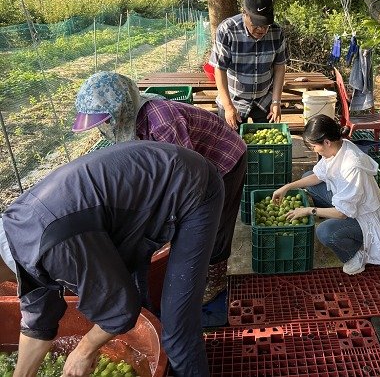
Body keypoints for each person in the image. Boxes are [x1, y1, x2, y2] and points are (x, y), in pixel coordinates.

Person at [0, 141, 224, 376]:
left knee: (177, 325)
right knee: (140, 303)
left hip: (192, 187)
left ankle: (187, 363)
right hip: (139, 198)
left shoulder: (53, 247)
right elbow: (38, 322)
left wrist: (84, 350)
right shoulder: (18, 236)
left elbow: (120, 309)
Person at [72, 71, 247, 303]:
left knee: (215, 224)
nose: (103, 129)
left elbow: (187, 174)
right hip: (200, 160)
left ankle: (216, 281)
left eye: (106, 121)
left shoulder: (162, 121)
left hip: (224, 158)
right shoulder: (134, 116)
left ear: (120, 109)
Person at [272, 115, 380, 275]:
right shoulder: (338, 148)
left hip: (362, 216)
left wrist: (309, 210)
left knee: (325, 232)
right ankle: (334, 222)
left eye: (313, 146)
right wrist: (288, 187)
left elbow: (342, 213)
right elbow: (317, 176)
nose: (314, 150)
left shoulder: (352, 166)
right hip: (348, 202)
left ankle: (355, 255)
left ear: (326, 142)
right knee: (307, 177)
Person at [209, 0, 288, 130]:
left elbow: (280, 67)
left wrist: (276, 101)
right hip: (234, 100)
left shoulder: (277, 32)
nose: (261, 30)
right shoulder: (227, 30)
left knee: (266, 145)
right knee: (231, 146)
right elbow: (219, 69)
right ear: (244, 14)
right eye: (256, 25)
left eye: (265, 25)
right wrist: (228, 106)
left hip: (265, 100)